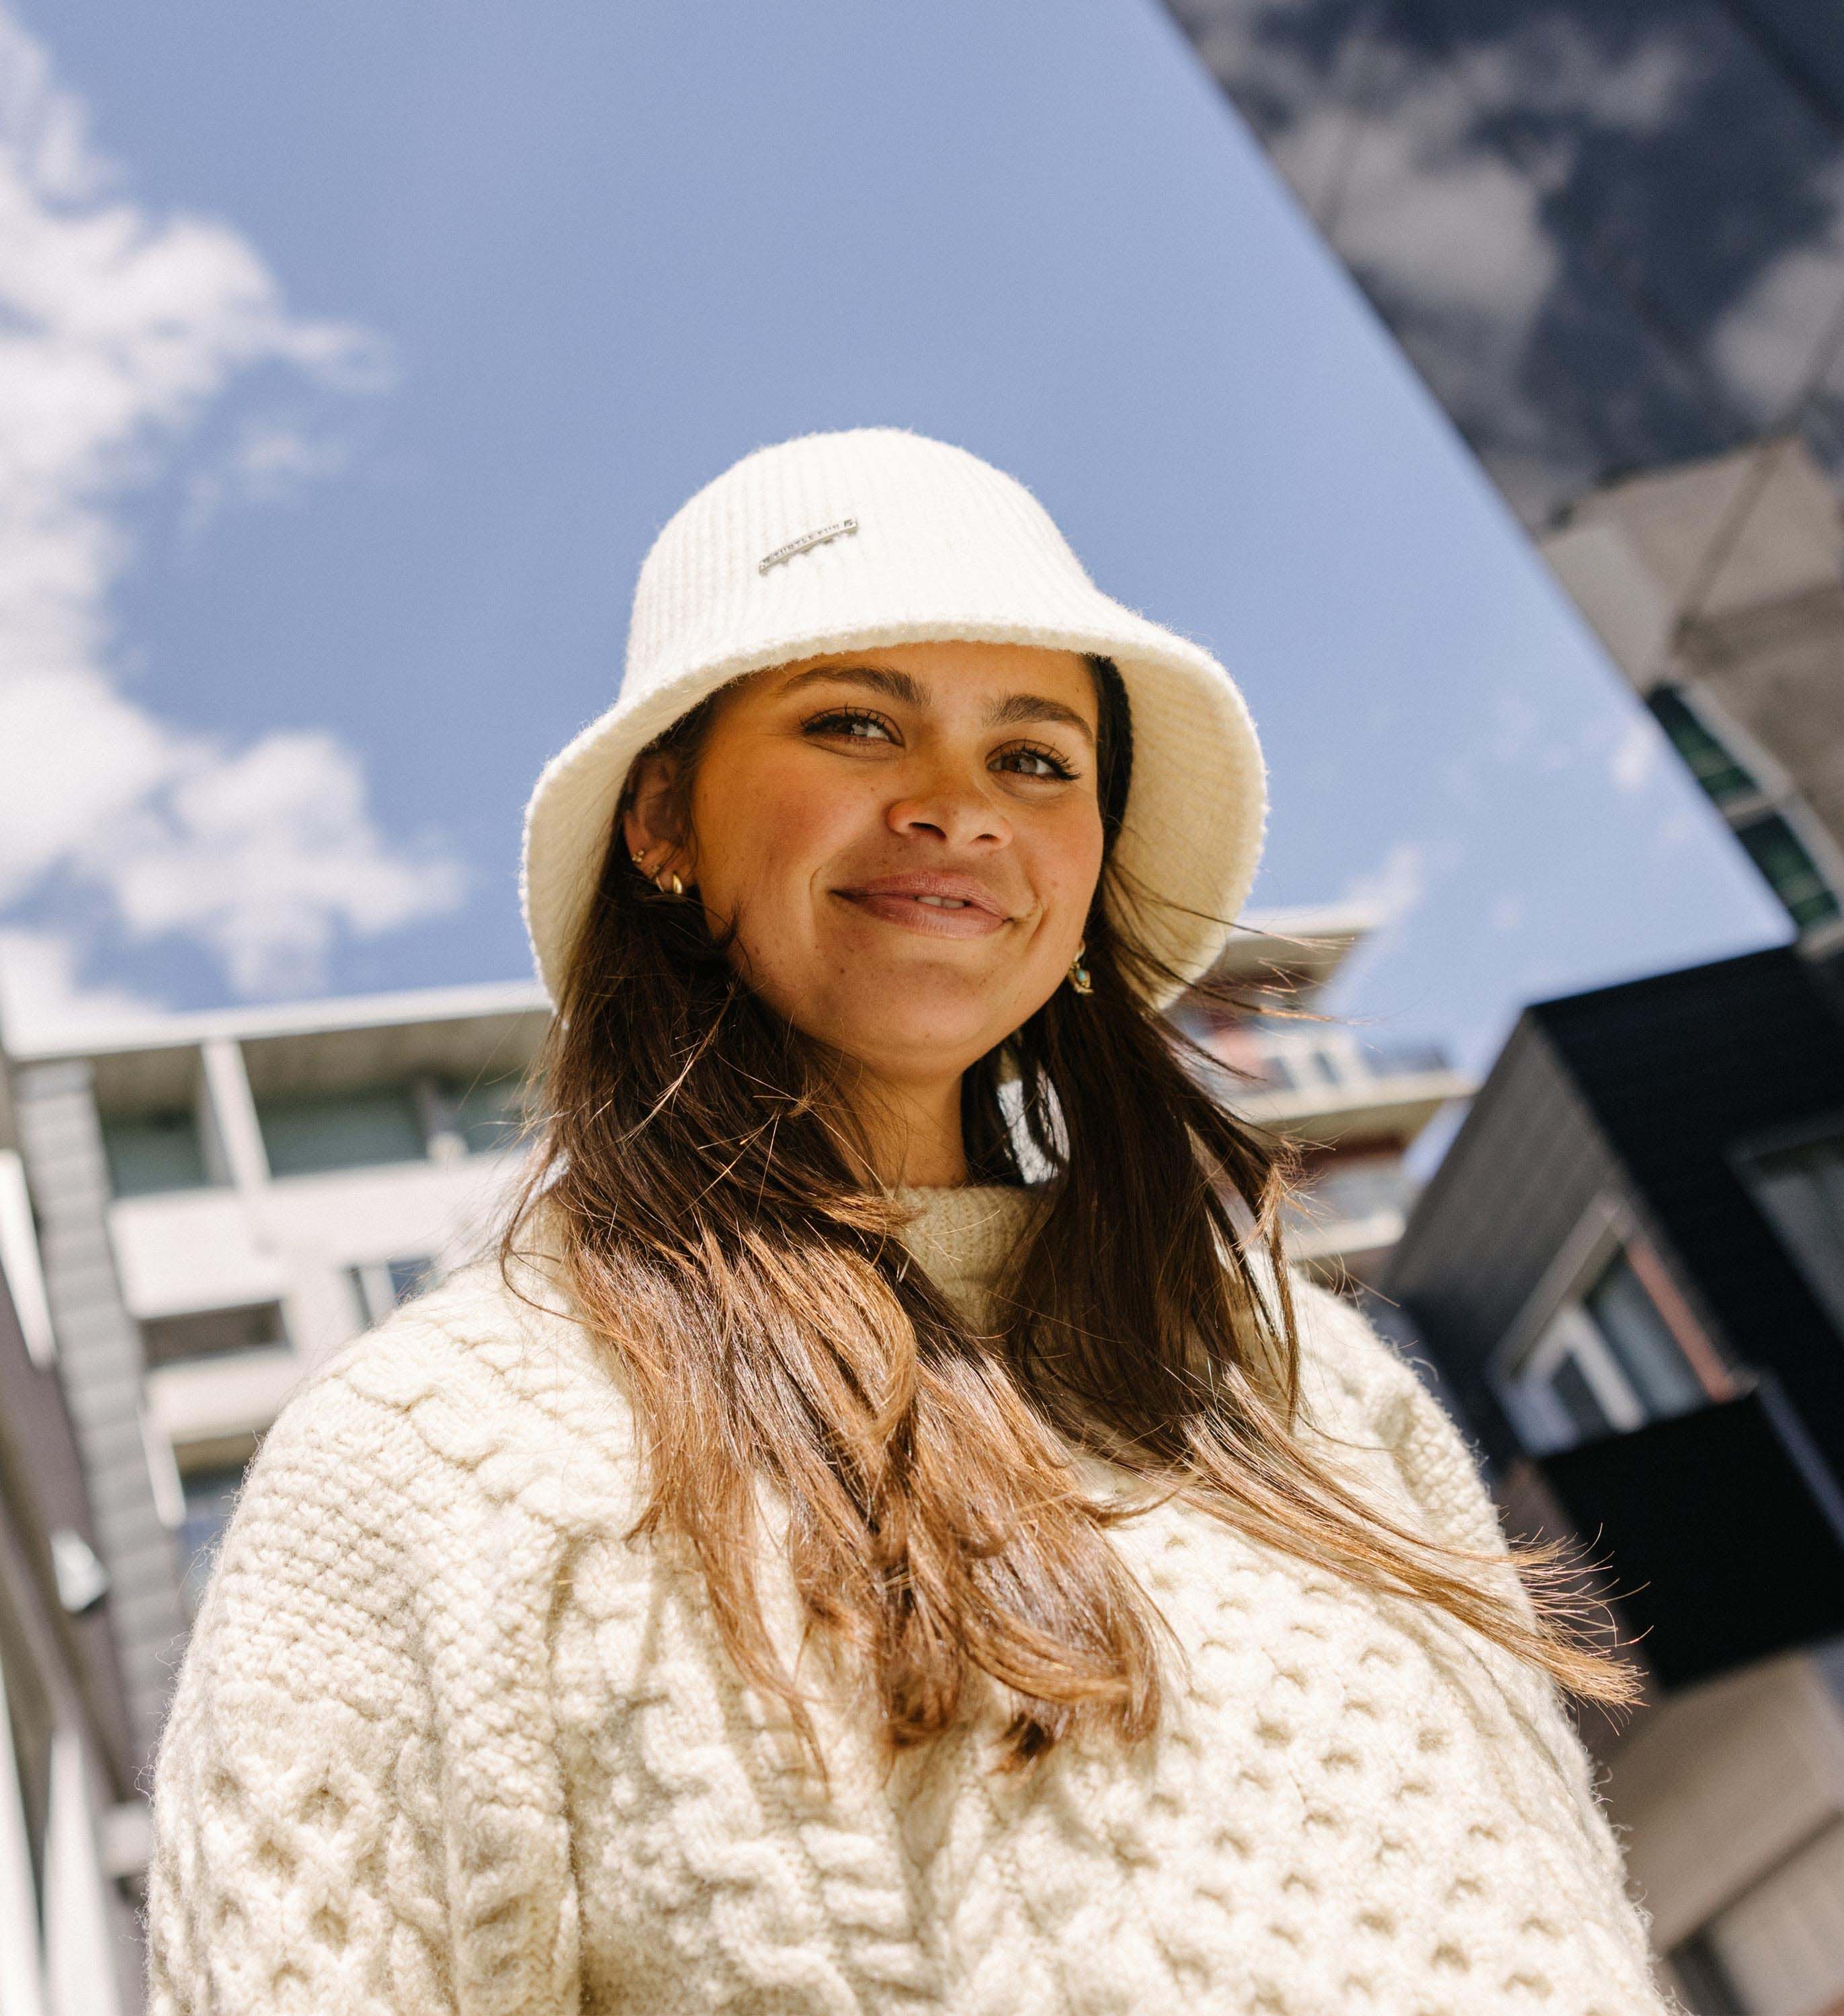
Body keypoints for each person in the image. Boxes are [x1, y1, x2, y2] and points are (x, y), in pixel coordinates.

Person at [144, 428, 1666, 2014]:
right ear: (661, 819)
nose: (958, 808)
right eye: (857, 722)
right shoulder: (427, 1461)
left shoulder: (1307, 1381)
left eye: (1037, 758)